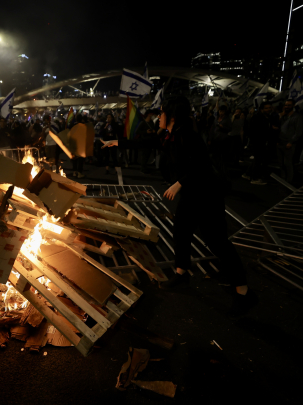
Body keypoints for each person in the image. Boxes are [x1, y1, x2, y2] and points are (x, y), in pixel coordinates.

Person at [103, 96, 256, 317]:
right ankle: (181, 273)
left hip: (208, 195)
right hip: (192, 195)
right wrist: (117, 142)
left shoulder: (189, 136)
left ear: (172, 117)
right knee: (181, 231)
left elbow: (202, 165)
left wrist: (179, 183)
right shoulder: (169, 136)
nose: (159, 117)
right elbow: (148, 142)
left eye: (162, 113)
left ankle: (243, 292)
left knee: (217, 242)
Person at [243, 102, 271, 185]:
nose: (268, 109)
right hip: (258, 141)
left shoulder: (265, 117)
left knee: (257, 159)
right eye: (266, 108)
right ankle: (255, 178)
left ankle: (247, 174)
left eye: (269, 107)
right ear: (262, 109)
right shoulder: (258, 117)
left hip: (259, 141)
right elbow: (254, 130)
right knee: (258, 159)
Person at [276, 100, 303, 183]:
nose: (287, 107)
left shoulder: (297, 117)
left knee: (288, 163)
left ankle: (289, 180)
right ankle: (283, 178)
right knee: (281, 163)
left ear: (293, 105)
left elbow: (298, 132)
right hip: (280, 142)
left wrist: (291, 142)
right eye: (286, 105)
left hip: (289, 143)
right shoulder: (283, 116)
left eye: (289, 105)